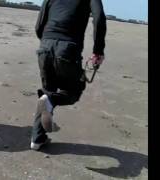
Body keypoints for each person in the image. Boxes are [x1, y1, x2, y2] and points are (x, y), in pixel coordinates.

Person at [30, 0, 107, 150]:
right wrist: (98, 50)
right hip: (68, 48)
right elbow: (99, 18)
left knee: (47, 94)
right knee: (73, 92)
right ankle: (49, 102)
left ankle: (37, 139)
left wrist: (47, 42)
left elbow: (39, 25)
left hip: (45, 45)